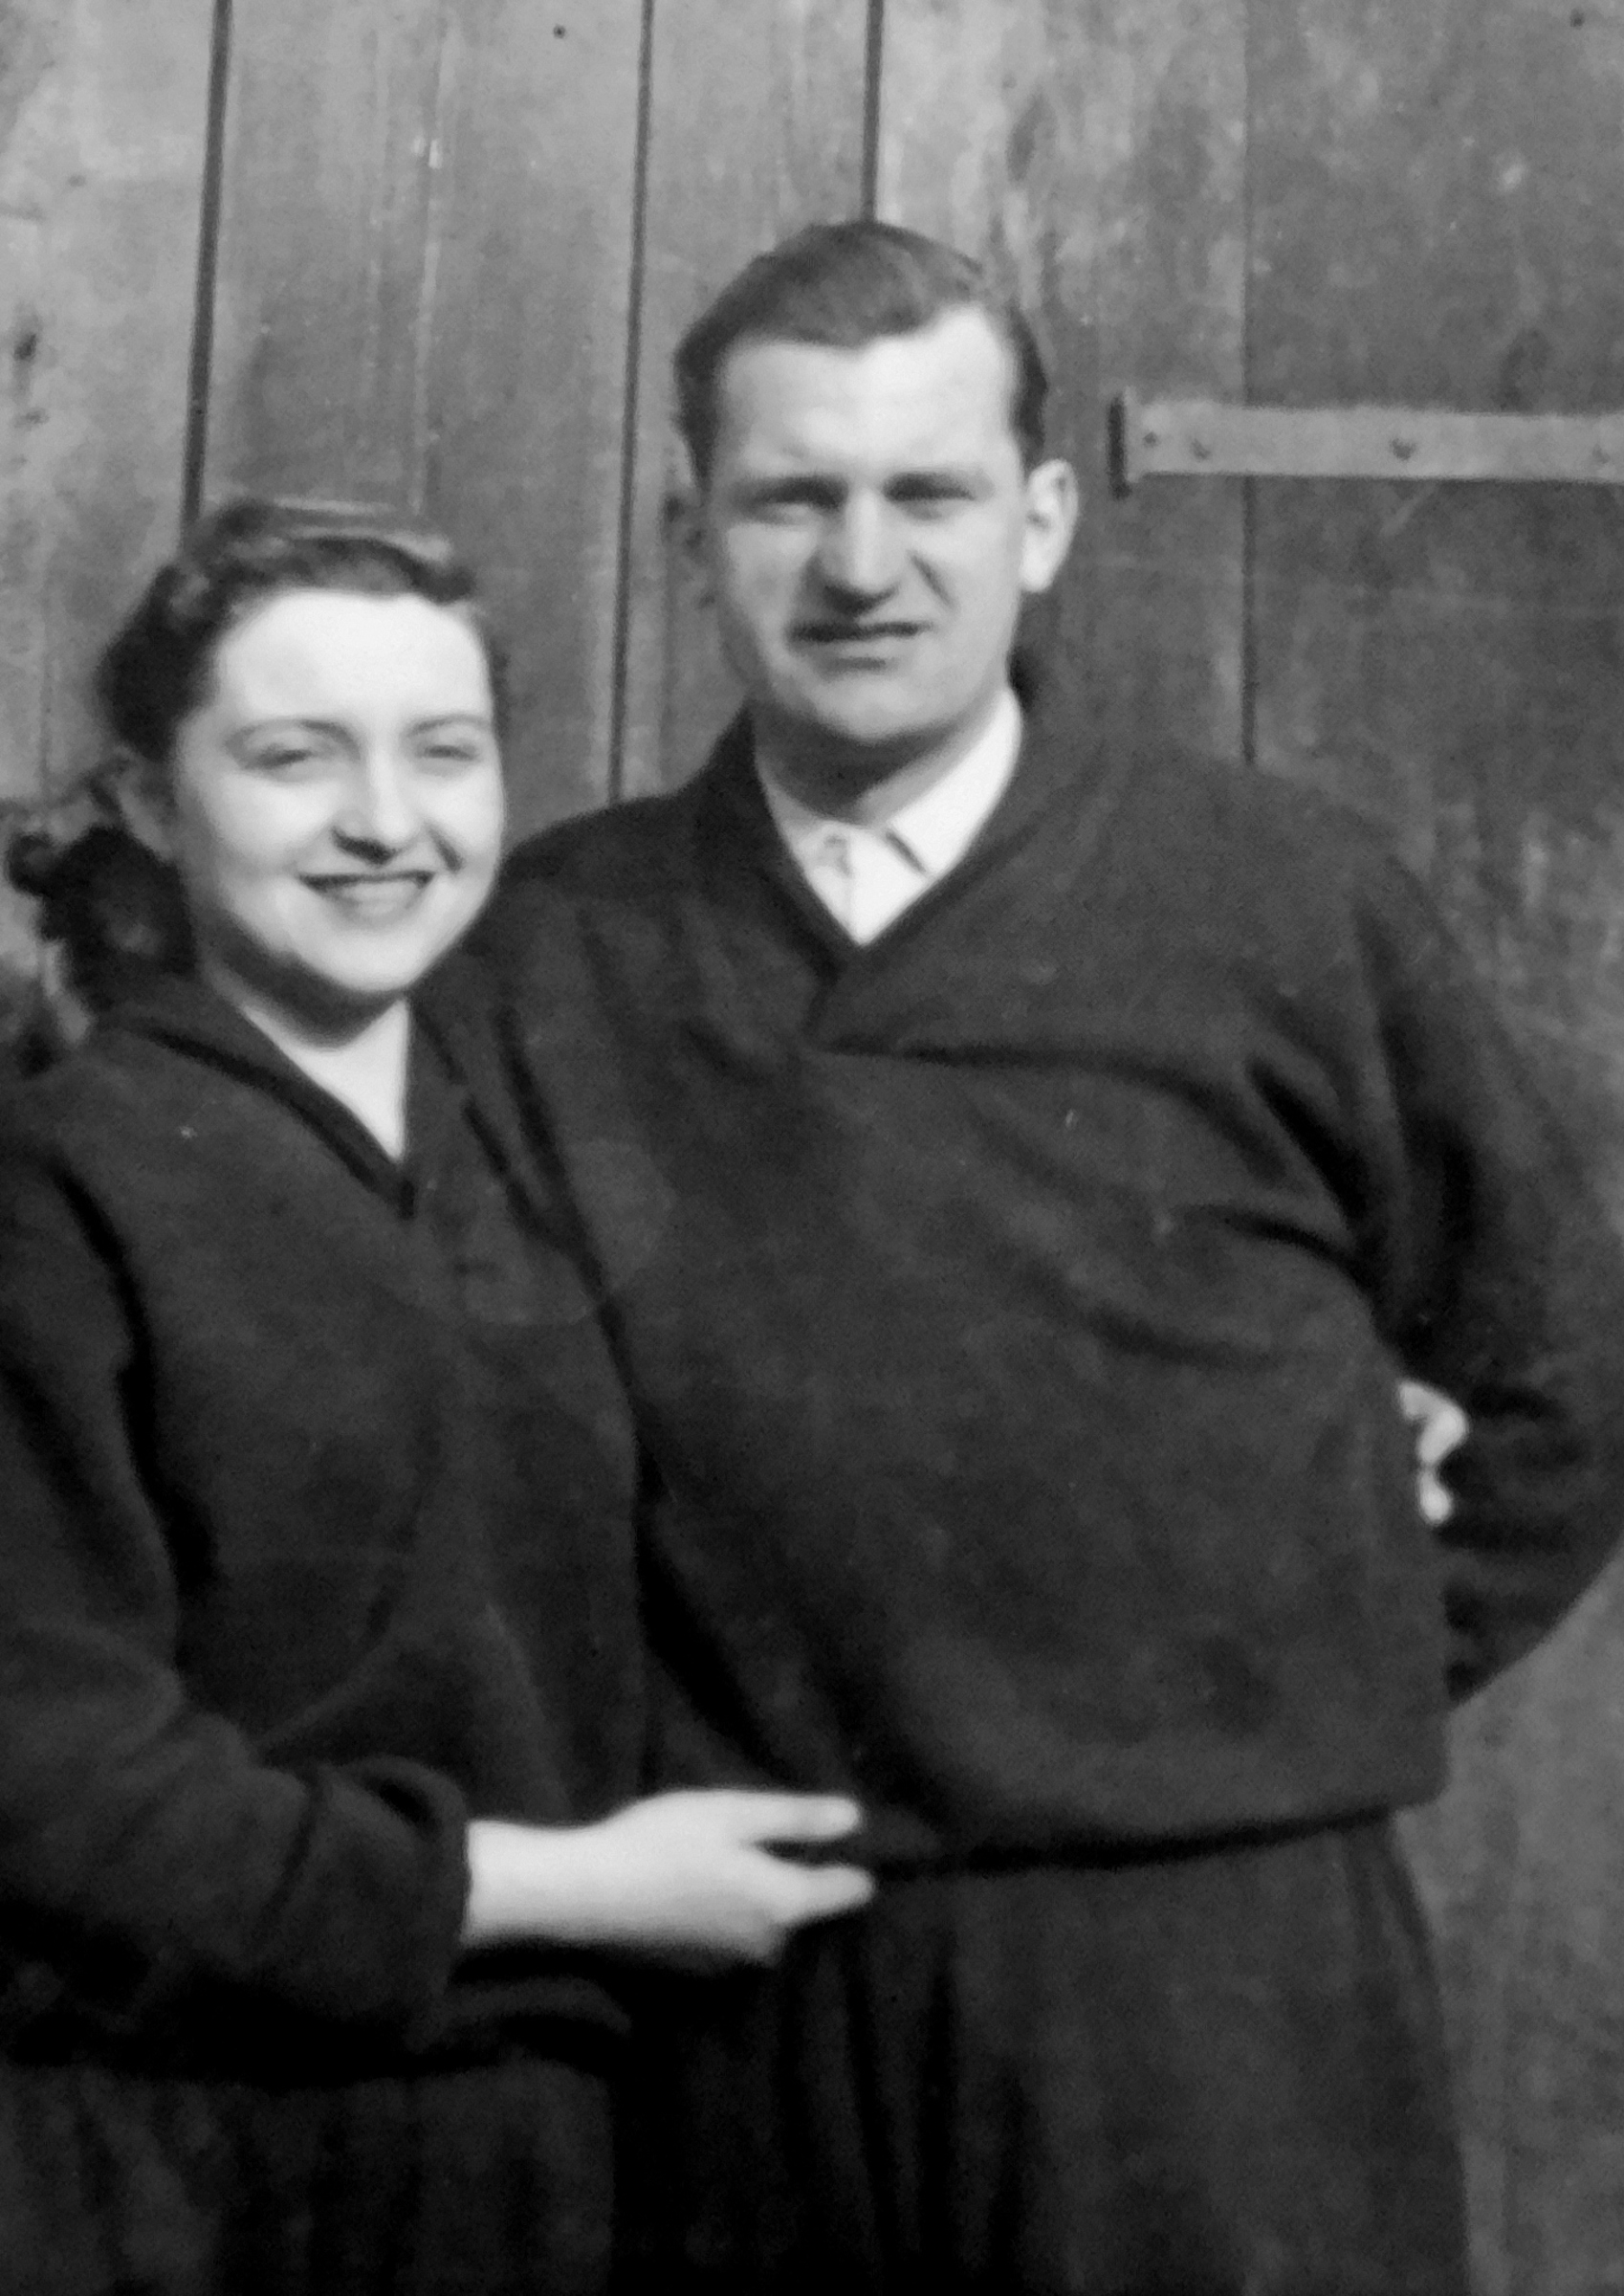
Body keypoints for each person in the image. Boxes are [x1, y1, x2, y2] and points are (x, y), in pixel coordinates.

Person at [461, 222, 1624, 2295]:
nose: (863, 566)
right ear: (688, 533)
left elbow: (1561, 1380)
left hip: (1215, 1982)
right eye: (792, 500)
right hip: (736, 1979)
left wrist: (1291, 1666)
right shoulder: (547, 949)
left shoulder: (1282, 899)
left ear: (1047, 517)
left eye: (930, 492)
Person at [0, 497, 871, 2296]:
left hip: (558, 2145)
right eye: (295, 758)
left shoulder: (548, 1157)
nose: (385, 821)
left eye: (443, 752)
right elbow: (51, 1781)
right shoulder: (62, 1188)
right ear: (151, 801)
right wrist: (566, 1889)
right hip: (174, 2165)